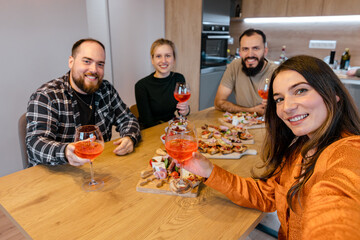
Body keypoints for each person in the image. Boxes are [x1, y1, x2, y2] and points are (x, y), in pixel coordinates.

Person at [185, 55, 360, 239]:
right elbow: (266, 195)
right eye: (279, 99)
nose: (287, 107)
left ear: (334, 93)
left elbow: (337, 213)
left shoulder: (348, 153)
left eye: (300, 91)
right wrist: (209, 170)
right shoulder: (299, 150)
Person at [26, 38, 141, 167]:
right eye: (87, 61)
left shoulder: (106, 89)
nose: (94, 69)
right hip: (57, 173)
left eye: (100, 64)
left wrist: (130, 138)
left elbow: (127, 119)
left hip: (98, 168)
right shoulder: (46, 96)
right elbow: (35, 143)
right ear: (71, 62)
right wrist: (65, 152)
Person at [214, 29, 278, 115]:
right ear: (239, 52)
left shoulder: (277, 72)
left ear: (265, 51)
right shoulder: (235, 66)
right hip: (243, 124)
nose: (250, 54)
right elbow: (218, 103)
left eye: (255, 48)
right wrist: (252, 110)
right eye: (245, 49)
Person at [135, 38, 190, 129]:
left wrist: (186, 110)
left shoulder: (179, 78)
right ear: (152, 60)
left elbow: (182, 111)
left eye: (168, 56)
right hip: (150, 131)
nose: (163, 60)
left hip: (170, 126)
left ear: (174, 59)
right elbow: (148, 122)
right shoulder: (141, 86)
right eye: (158, 56)